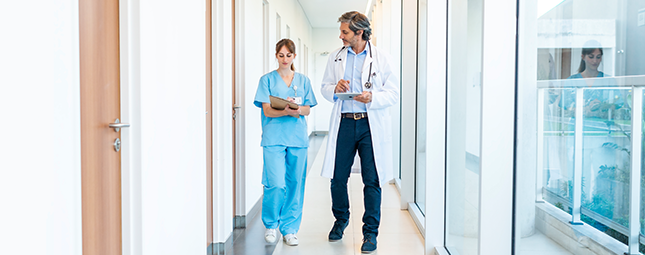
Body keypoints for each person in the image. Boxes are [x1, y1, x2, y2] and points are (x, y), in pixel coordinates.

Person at [319, 11, 399, 253]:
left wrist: (372, 96)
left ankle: (370, 233)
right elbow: (324, 88)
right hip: (344, 122)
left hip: (369, 124)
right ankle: (341, 220)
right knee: (337, 178)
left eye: (345, 32)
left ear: (360, 33)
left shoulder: (382, 58)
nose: (341, 36)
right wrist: (335, 88)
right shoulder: (335, 58)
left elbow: (393, 93)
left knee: (372, 180)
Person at [253, 38, 317, 246]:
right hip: (273, 138)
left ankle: (289, 229)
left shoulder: (303, 80)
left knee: (295, 184)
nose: (284, 59)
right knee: (276, 184)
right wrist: (286, 110)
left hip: (297, 138)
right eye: (281, 55)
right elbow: (267, 110)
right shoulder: (267, 80)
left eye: (288, 55)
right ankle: (271, 225)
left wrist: (297, 110)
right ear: (276, 56)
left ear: (294, 57)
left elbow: (307, 108)